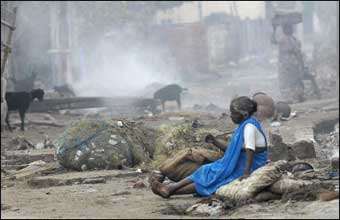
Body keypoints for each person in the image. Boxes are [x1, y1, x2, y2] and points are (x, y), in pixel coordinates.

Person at [151, 96, 268, 198]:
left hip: (251, 164)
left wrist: (246, 173)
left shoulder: (249, 127)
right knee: (206, 171)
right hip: (242, 161)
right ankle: (170, 189)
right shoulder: (245, 124)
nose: (231, 116)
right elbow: (234, 150)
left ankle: (171, 189)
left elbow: (250, 150)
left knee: (217, 178)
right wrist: (215, 142)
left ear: (245, 114)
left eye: (233, 113)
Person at [272, 23, 305, 104]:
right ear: (285, 30)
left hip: (292, 63)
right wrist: (274, 29)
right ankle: (292, 97)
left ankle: (296, 96)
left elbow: (298, 52)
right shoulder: (283, 39)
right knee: (289, 81)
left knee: (294, 80)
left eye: (290, 28)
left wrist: (301, 62)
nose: (291, 30)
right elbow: (274, 41)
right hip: (287, 63)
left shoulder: (294, 39)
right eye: (288, 28)